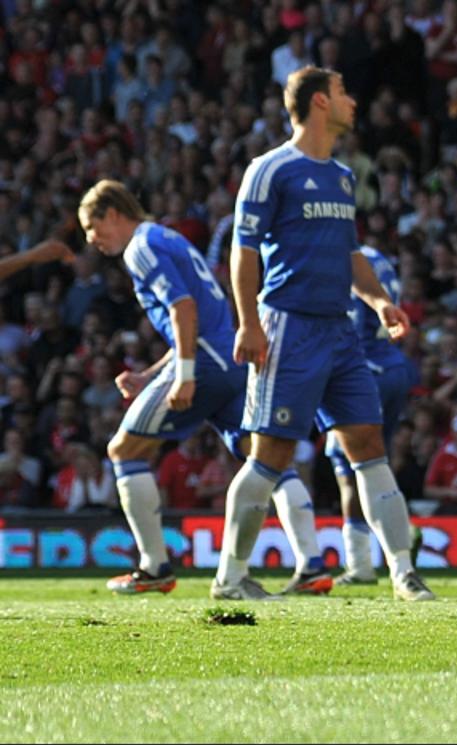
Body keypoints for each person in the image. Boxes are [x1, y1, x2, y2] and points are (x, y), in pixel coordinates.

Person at [221, 65, 432, 602]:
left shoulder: (341, 176)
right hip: (288, 327)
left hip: (341, 332)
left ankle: (403, 574)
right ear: (319, 102)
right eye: (342, 91)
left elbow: (350, 253)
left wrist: (380, 300)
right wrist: (248, 322)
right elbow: (243, 251)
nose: (351, 101)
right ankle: (230, 578)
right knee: (270, 455)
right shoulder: (270, 171)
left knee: (369, 443)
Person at [78, 180, 325, 596]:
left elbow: (183, 309)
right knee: (263, 458)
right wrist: (150, 374)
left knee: (124, 450)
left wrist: (185, 373)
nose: (91, 239)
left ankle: (154, 567)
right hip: (228, 361)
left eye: (92, 226)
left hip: (205, 364)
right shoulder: (166, 238)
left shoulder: (141, 247)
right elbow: (196, 317)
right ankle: (312, 565)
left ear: (114, 214)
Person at [324, 244, 417, 589]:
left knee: (350, 469)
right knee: (377, 464)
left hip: (362, 369)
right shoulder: (380, 259)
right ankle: (403, 536)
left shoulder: (345, 259)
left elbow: (350, 316)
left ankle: (360, 563)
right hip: (393, 366)